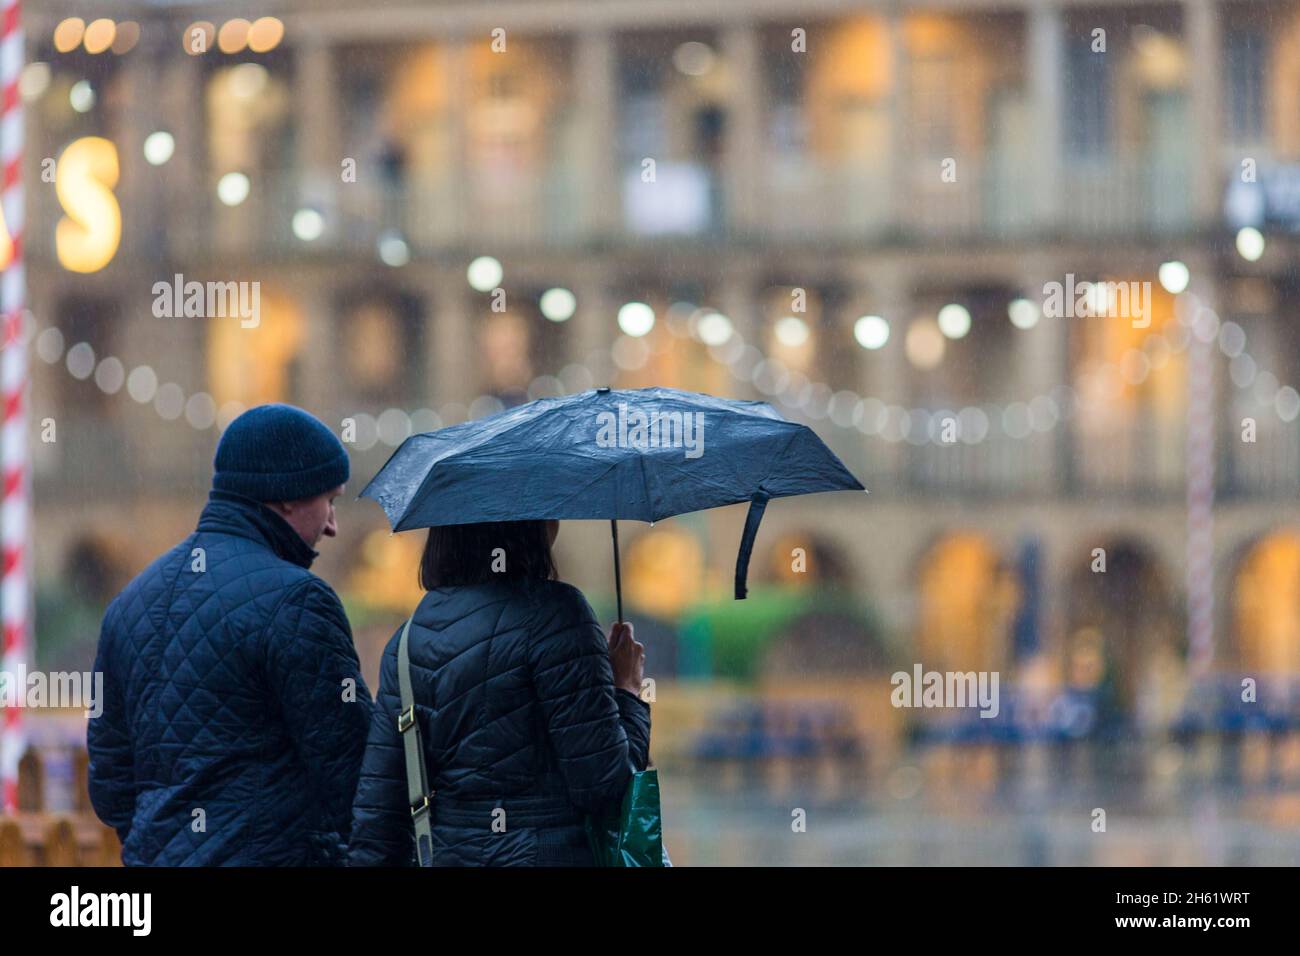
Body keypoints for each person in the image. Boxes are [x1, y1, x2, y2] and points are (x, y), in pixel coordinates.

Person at [87, 403, 373, 865]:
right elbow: (355, 772)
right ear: (286, 496)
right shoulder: (297, 601)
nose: (333, 525)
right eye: (330, 500)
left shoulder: (128, 603)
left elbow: (110, 784)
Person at [348, 519, 649, 866]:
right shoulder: (559, 615)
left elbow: (378, 815)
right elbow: (607, 789)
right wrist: (625, 692)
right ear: (522, 526)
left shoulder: (407, 642)